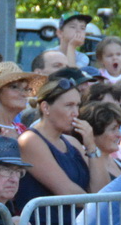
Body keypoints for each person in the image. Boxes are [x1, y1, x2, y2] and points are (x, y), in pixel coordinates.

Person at [14, 74, 111, 217]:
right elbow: (67, 192)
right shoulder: (30, 141)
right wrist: (98, 204)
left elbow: (102, 192)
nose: (76, 113)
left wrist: (91, 146)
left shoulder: (72, 142)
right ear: (46, 108)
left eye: (77, 105)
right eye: (69, 106)